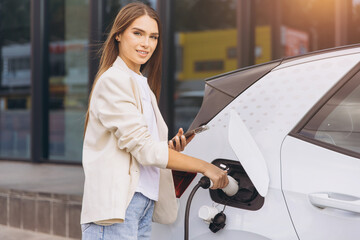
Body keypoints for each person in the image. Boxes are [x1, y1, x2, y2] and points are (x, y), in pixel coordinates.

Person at [80, 2, 228, 240]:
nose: (146, 43)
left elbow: (141, 146)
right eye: (137, 33)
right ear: (118, 34)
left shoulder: (142, 84)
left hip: (144, 203)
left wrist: (168, 149)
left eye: (153, 37)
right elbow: (145, 150)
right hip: (118, 208)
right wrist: (205, 167)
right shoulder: (113, 81)